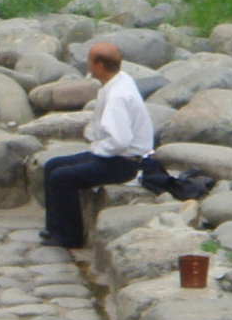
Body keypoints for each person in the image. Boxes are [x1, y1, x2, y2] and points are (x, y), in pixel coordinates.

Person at [39, 41, 154, 249]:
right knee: (52, 165)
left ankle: (69, 236)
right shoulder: (119, 80)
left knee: (62, 177)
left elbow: (120, 141)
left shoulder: (118, 96)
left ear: (99, 65)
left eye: (90, 60)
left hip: (125, 162)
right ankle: (55, 228)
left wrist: (97, 148)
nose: (88, 64)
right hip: (114, 155)